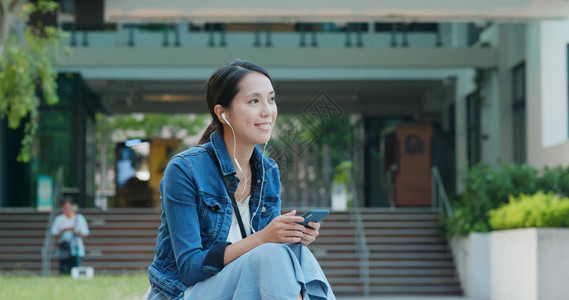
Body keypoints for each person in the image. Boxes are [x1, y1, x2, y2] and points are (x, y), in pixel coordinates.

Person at [147, 59, 335, 300]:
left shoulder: (268, 171)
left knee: (294, 252)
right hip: (185, 293)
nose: (267, 110)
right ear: (223, 113)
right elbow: (189, 268)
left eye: (271, 98)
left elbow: (270, 255)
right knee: (272, 253)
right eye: (254, 101)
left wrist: (290, 235)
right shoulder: (185, 169)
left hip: (244, 288)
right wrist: (264, 238)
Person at [50, 198, 90, 275]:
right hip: (64, 248)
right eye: (65, 208)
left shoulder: (79, 218)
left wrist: (75, 231)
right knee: (64, 270)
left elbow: (85, 234)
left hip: (77, 248)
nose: (67, 209)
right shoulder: (59, 219)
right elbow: (55, 234)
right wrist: (64, 230)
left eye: (69, 207)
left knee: (75, 270)